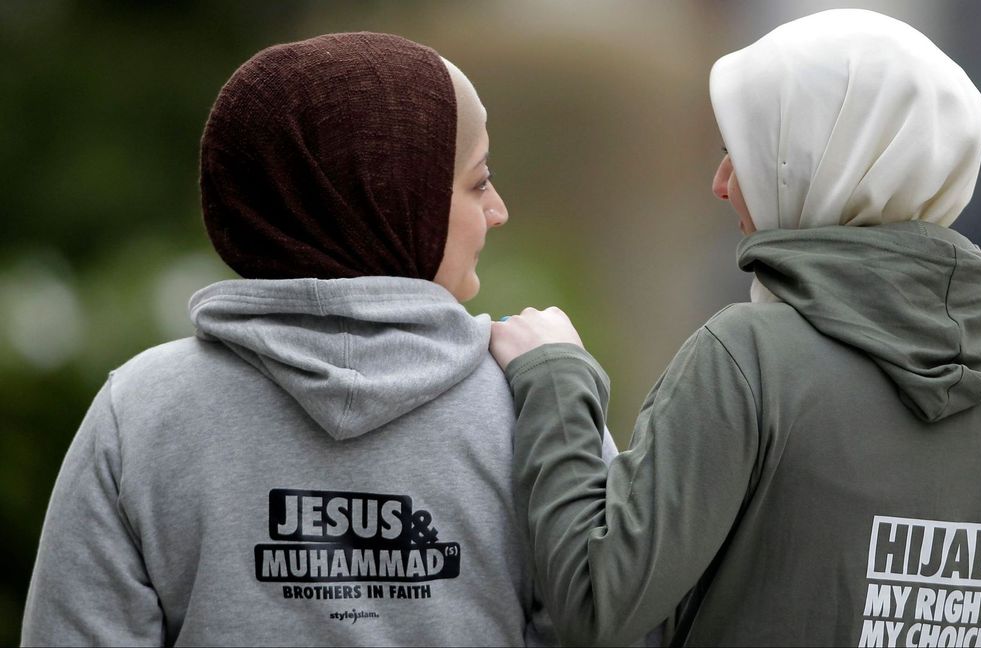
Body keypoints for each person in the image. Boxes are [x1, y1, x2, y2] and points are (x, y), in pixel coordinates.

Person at [490, 9, 981, 647]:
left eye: (744, 151)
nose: (721, 184)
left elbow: (597, 603)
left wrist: (556, 381)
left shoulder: (747, 360)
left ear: (823, 160)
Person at [22, 32, 615, 646]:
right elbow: (615, 623)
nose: (498, 211)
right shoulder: (537, 406)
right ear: (392, 198)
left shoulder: (142, 410)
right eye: (478, 181)